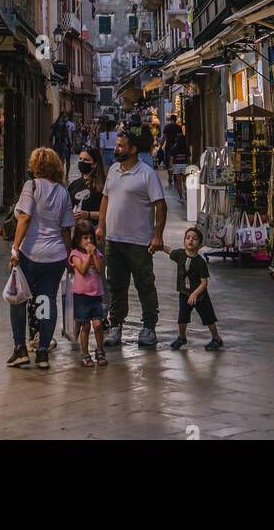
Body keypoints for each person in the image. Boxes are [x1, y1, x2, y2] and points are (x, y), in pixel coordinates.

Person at [96, 127, 166, 348]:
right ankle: (116, 325)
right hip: (113, 239)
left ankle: (148, 327)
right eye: (116, 145)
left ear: (133, 149)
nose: (115, 149)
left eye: (120, 146)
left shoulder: (147, 173)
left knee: (144, 284)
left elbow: (160, 205)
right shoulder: (114, 170)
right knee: (116, 284)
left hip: (138, 241)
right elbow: (106, 199)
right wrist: (100, 226)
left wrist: (157, 235)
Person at [6, 147, 74, 371]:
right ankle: (43, 351)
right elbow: (66, 229)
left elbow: (24, 218)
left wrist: (15, 250)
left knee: (19, 299)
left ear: (35, 166)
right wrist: (68, 256)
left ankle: (20, 349)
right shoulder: (63, 192)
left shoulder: (31, 186)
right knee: (46, 300)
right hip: (55, 256)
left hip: (31, 254)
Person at [167, 226, 223, 351]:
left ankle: (216, 339)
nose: (190, 240)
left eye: (194, 239)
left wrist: (195, 294)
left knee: (208, 318)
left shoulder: (200, 262)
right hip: (184, 293)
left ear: (200, 244)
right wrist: (158, 246)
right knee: (182, 317)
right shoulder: (180, 254)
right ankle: (181, 337)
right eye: (187, 238)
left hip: (200, 296)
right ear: (184, 241)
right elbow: (169, 250)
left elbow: (204, 283)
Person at [69, 221, 107, 367]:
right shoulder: (75, 254)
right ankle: (85, 353)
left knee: (98, 324)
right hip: (81, 296)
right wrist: (89, 257)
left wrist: (94, 255)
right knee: (85, 326)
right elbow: (83, 270)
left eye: (90, 238)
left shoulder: (97, 253)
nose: (89, 241)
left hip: (96, 294)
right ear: (78, 239)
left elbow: (99, 270)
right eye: (85, 238)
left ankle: (100, 350)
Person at [68, 146, 106, 225]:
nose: (82, 162)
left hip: (94, 231)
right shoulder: (74, 185)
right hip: (76, 230)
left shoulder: (102, 187)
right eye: (80, 159)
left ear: (95, 164)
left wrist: (88, 214)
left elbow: (108, 213)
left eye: (86, 160)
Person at [168, 127, 189, 202]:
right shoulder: (186, 148)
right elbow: (188, 157)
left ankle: (181, 198)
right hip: (185, 165)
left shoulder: (174, 148)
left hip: (177, 165)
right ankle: (186, 195)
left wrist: (171, 166)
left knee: (178, 182)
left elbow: (171, 158)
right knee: (185, 181)